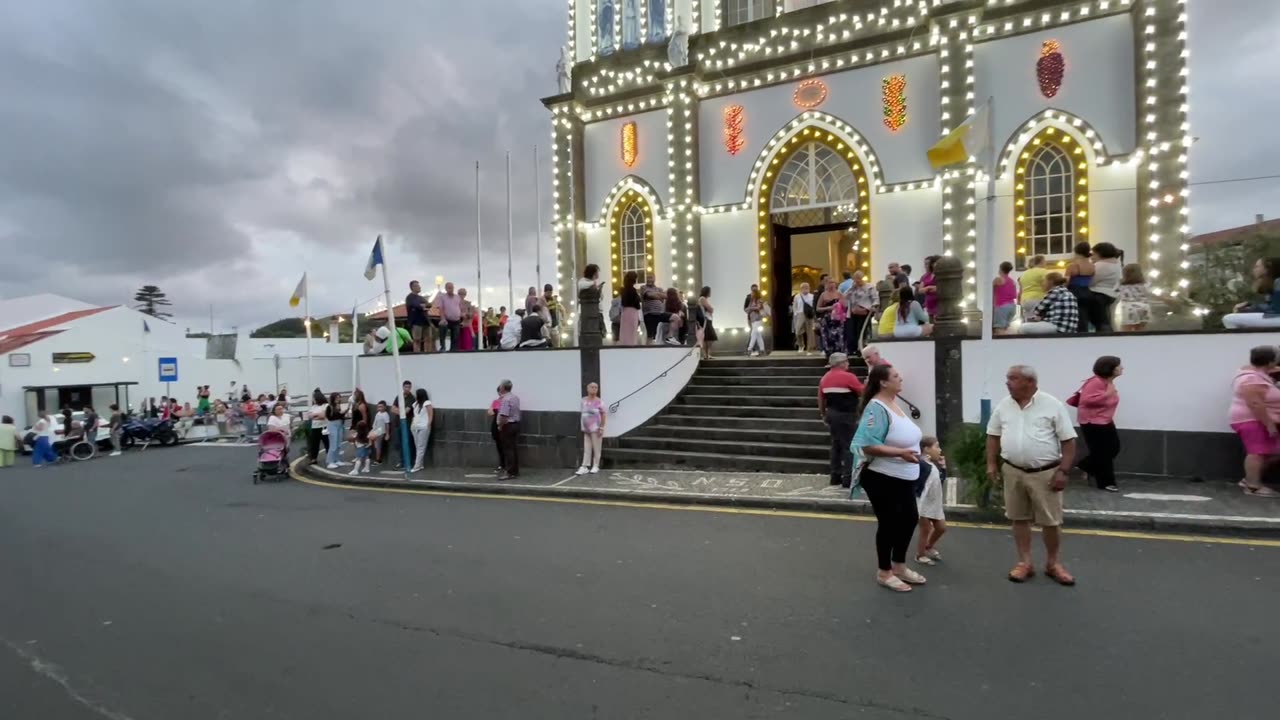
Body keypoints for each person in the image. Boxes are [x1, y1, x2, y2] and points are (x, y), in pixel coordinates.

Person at [986, 365, 1078, 586]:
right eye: (1007, 378)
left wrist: (1063, 471)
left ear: (1029, 382)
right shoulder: (1004, 405)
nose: (1007, 382)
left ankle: (1053, 563)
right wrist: (991, 464)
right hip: (1013, 471)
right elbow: (992, 435)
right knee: (1018, 518)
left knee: (1051, 521)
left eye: (1013, 378)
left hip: (1045, 473)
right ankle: (1024, 563)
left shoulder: (1052, 405)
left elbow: (1068, 441)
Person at [850, 364, 926, 592]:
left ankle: (899, 566)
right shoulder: (876, 408)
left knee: (910, 518)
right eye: (895, 376)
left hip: (905, 476)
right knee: (890, 523)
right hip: (883, 476)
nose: (900, 378)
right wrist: (900, 453)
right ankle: (885, 571)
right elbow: (868, 445)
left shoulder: (895, 402)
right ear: (883, 382)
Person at [1229, 345, 1280, 497]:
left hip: (1259, 420)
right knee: (1257, 452)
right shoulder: (1251, 379)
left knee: (1273, 452)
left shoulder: (1257, 373)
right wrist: (1269, 425)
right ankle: (1253, 486)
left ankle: (1249, 479)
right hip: (1252, 420)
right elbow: (1255, 404)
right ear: (1270, 362)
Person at [1072, 356, 1124, 492]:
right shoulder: (1096, 382)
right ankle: (1106, 482)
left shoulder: (1108, 382)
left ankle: (1085, 466)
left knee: (1112, 449)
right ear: (1110, 368)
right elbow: (1086, 401)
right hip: (1093, 422)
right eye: (1118, 366)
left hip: (1105, 420)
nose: (1122, 368)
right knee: (1104, 452)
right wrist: (1107, 395)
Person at [817, 352, 864, 488]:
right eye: (847, 361)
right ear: (841, 363)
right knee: (849, 447)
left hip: (832, 414)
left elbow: (821, 399)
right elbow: (862, 391)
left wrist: (823, 414)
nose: (848, 364)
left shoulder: (824, 379)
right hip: (846, 414)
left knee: (836, 445)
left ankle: (835, 476)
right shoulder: (848, 377)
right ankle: (847, 479)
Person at [914, 437, 947, 566]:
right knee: (925, 529)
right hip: (923, 503)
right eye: (937, 446)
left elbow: (940, 480)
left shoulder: (933, 465)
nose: (940, 450)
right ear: (926, 449)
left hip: (935, 503)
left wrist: (943, 467)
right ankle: (920, 554)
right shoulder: (921, 463)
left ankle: (929, 546)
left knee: (941, 527)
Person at [1223, 257, 1280, 329]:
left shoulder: (1278, 282)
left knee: (1229, 319)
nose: (1254, 270)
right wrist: (1249, 305)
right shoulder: (1272, 284)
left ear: (1267, 269)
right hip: (1275, 317)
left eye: (1257, 267)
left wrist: (1248, 309)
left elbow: (1276, 309)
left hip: (1277, 317)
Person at [1088, 242, 1122, 332]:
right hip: (1111, 294)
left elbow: (1091, 282)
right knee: (1107, 320)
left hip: (1098, 295)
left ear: (1100, 253)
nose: (1091, 257)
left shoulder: (1100, 265)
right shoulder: (1116, 265)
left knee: (1101, 321)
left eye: (1093, 254)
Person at [1065, 241, 1096, 332]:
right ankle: (1085, 331)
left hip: (1074, 291)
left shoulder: (1072, 266)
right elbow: (1092, 281)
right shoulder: (1092, 266)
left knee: (1075, 314)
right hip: (1087, 291)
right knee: (1085, 314)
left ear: (1076, 252)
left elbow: (1066, 281)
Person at [577, 382, 606, 475]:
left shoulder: (599, 402)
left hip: (596, 429)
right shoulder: (583, 400)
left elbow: (604, 414)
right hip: (586, 429)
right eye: (592, 387)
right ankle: (584, 466)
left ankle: (595, 465)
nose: (594, 389)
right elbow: (582, 413)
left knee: (596, 447)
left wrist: (601, 427)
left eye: (596, 387)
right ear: (587, 388)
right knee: (587, 448)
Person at [846, 272, 877, 355]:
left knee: (862, 330)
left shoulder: (870, 287)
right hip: (853, 312)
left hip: (864, 311)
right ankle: (854, 348)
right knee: (853, 331)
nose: (857, 281)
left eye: (858, 278)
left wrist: (873, 307)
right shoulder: (852, 288)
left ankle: (862, 347)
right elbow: (846, 296)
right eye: (855, 279)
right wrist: (852, 288)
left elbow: (875, 299)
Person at [496, 379, 521, 480]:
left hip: (508, 425)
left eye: (500, 386)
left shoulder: (506, 399)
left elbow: (504, 415)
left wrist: (500, 426)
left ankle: (510, 472)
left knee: (508, 449)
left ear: (503, 387)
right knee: (513, 448)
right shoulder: (515, 397)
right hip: (515, 424)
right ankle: (515, 471)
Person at [815, 278, 845, 357]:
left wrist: (840, 306)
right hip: (827, 319)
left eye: (833, 283)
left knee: (838, 338)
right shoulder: (823, 295)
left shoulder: (839, 294)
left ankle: (839, 355)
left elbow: (845, 306)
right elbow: (818, 308)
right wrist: (828, 308)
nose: (831, 284)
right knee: (828, 338)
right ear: (826, 285)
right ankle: (828, 355)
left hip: (838, 319)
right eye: (829, 283)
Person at [1117, 263, 1152, 331]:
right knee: (1140, 329)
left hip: (1128, 309)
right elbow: (1150, 293)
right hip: (1143, 308)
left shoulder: (1121, 285)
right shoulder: (1145, 284)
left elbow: (1115, 292)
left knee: (1126, 330)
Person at [640, 274, 670, 345]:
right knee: (650, 334)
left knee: (673, 318)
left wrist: (656, 294)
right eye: (647, 278)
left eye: (650, 277)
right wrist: (659, 295)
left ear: (654, 279)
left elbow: (665, 296)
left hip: (659, 313)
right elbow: (649, 295)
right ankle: (648, 350)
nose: (649, 279)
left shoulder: (659, 289)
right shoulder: (643, 287)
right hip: (649, 313)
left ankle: (669, 338)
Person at [434, 282, 464, 352]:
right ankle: (443, 347)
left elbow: (460, 308)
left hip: (456, 320)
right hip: (446, 319)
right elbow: (441, 309)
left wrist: (462, 315)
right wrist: (443, 319)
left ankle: (453, 349)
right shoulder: (442, 297)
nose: (451, 289)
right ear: (446, 289)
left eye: (452, 287)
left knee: (455, 336)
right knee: (442, 327)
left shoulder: (457, 297)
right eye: (449, 288)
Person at [1018, 254, 1049, 321]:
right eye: (1045, 262)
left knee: (1029, 322)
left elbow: (1021, 288)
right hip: (1037, 299)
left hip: (1024, 300)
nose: (1045, 263)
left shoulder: (1024, 273)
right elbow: (1047, 284)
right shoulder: (1043, 271)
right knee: (1038, 322)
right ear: (1042, 261)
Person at [410, 388, 434, 473]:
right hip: (415, 426)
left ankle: (417, 466)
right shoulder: (416, 404)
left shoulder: (427, 403)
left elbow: (430, 414)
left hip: (424, 427)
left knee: (420, 447)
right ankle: (420, 464)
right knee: (418, 446)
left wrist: (429, 424)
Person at [992, 261, 1018, 335]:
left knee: (999, 329)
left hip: (1002, 306)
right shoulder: (1012, 281)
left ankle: (1001, 346)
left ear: (1000, 269)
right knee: (1005, 328)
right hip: (1012, 306)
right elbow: (1014, 295)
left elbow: (989, 291)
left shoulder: (998, 280)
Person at [405, 280, 430, 353]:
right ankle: (416, 353)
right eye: (417, 286)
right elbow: (415, 305)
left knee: (428, 338)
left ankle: (427, 352)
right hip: (416, 321)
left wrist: (423, 306)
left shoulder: (421, 298)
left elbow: (429, 305)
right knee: (417, 339)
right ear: (413, 287)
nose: (419, 287)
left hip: (425, 320)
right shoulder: (409, 297)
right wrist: (422, 306)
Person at [619, 271, 643, 346]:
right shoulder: (632, 290)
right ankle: (631, 345)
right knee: (632, 330)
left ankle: (625, 344)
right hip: (632, 311)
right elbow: (636, 303)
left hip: (625, 311)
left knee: (625, 330)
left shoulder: (623, 290)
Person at [792, 282, 816, 354]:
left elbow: (814, 306)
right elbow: (794, 306)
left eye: (807, 287)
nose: (805, 289)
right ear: (801, 289)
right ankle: (801, 345)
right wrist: (795, 313)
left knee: (810, 332)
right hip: (800, 314)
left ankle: (810, 349)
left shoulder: (812, 296)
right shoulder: (797, 296)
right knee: (798, 331)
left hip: (809, 315)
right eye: (804, 287)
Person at [324, 392, 346, 469]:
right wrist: (340, 413)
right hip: (332, 425)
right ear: (333, 398)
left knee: (339, 443)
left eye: (339, 397)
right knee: (333, 444)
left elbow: (340, 416)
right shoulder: (329, 407)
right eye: (336, 398)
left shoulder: (339, 406)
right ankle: (330, 461)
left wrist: (342, 413)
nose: (338, 399)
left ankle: (336, 459)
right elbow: (329, 417)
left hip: (339, 424)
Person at [306, 389, 328, 464]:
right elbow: (309, 416)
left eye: (314, 398)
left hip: (324, 427)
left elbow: (323, 416)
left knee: (327, 442)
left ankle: (329, 457)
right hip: (315, 427)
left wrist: (314, 416)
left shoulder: (325, 405)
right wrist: (316, 416)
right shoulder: (313, 407)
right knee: (314, 444)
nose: (313, 400)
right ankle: (313, 458)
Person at [487, 387, 505, 472]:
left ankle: (507, 464)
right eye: (499, 392)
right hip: (496, 424)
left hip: (504, 425)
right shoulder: (496, 401)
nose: (501, 394)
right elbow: (490, 412)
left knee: (505, 445)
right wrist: (495, 411)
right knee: (499, 445)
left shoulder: (507, 401)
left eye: (502, 392)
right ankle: (501, 464)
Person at [745, 286, 767, 356]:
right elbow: (746, 308)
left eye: (752, 292)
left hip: (758, 319)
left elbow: (759, 307)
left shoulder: (759, 299)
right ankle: (762, 350)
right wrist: (750, 308)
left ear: (755, 293)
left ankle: (749, 349)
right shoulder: (751, 300)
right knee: (758, 335)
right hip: (752, 319)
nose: (751, 294)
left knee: (753, 333)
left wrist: (751, 308)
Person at [696, 286, 717, 360]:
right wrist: (711, 309)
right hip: (705, 320)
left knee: (709, 338)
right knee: (708, 337)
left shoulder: (704, 299)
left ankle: (708, 354)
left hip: (708, 319)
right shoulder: (702, 299)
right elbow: (710, 309)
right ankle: (705, 354)